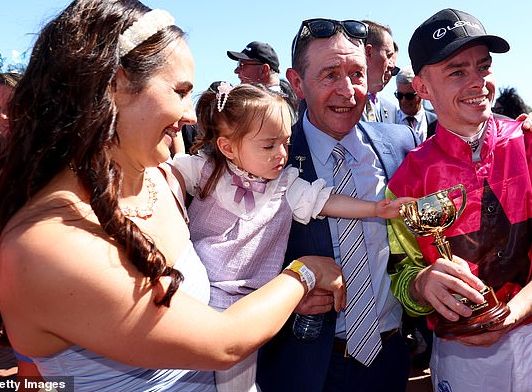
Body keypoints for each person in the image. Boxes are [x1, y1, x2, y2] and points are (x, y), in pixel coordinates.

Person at [0, 0, 346, 391]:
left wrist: (279, 305)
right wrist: (305, 273)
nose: (189, 115)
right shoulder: (46, 243)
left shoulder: (160, 182)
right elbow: (222, 342)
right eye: (180, 91)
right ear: (113, 85)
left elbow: (208, 301)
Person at [386, 8, 532, 391]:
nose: (478, 82)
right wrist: (422, 285)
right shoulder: (406, 181)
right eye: (457, 71)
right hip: (461, 358)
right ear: (422, 88)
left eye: (484, 67)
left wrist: (514, 312)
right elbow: (403, 273)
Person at [172, 82, 408, 392]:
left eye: (285, 142)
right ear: (228, 147)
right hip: (199, 295)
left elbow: (327, 202)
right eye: (269, 146)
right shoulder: (202, 171)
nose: (282, 154)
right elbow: (163, 175)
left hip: (253, 306)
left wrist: (376, 208)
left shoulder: (287, 184)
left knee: (236, 380)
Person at [255, 17, 419, 392]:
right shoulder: (266, 157)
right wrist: (287, 294)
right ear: (296, 82)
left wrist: (529, 131)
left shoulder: (402, 143)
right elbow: (226, 262)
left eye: (357, 74)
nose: (348, 91)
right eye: (329, 75)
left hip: (390, 359)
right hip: (304, 369)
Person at [361, 20, 399, 123]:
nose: (391, 66)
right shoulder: (342, 102)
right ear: (368, 52)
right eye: (388, 55)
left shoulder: (391, 110)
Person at [395, 65, 438, 142]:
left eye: (409, 96)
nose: (404, 100)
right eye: (400, 95)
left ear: (422, 92)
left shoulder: (437, 123)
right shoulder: (389, 120)